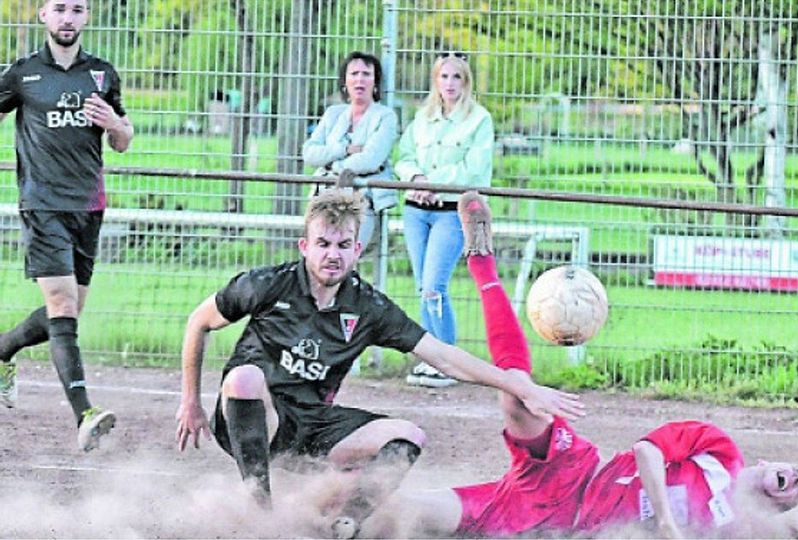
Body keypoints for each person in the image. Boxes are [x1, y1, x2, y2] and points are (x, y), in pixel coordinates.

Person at [360, 192, 798, 539]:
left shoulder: (731, 527)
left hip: (551, 522)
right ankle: (483, 264)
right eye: (797, 471)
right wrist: (668, 524)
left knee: (397, 515)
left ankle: (322, 506)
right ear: (768, 461)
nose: (795, 479)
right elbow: (647, 451)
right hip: (576, 469)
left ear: (780, 505)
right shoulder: (720, 451)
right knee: (518, 395)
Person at [174, 187, 584, 537]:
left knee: (407, 437)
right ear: (305, 246)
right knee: (245, 377)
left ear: (356, 249)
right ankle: (258, 511)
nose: (331, 255)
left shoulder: (367, 306)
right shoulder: (266, 284)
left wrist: (520, 386)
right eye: (322, 244)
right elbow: (198, 321)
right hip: (252, 421)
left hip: (312, 427)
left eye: (341, 245)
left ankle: (343, 522)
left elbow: (443, 356)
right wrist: (190, 402)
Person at [0, 0, 134, 452]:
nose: (68, 18)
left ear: (87, 17)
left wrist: (115, 123)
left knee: (68, 311)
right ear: (42, 15)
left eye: (77, 9)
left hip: (89, 207)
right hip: (42, 205)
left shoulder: (101, 74)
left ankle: (2, 350)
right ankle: (86, 414)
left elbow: (123, 141)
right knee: (59, 302)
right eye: (59, 8)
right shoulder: (22, 74)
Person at [394, 52, 494, 388]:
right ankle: (431, 360)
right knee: (423, 287)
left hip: (450, 210)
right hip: (416, 208)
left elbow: (475, 169)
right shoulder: (422, 119)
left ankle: (449, 361)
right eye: (443, 77)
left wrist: (436, 184)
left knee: (435, 286)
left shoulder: (479, 120)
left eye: (457, 78)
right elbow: (404, 157)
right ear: (435, 81)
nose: (449, 84)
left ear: (466, 82)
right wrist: (418, 179)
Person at [302, 51, 397, 252]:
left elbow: (371, 160)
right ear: (344, 81)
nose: (359, 79)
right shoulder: (332, 114)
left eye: (366, 74)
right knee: (319, 257)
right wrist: (344, 149)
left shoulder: (385, 117)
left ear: (376, 82)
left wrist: (331, 163)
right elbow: (309, 153)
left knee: (347, 255)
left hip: (363, 197)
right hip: (326, 195)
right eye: (354, 73)